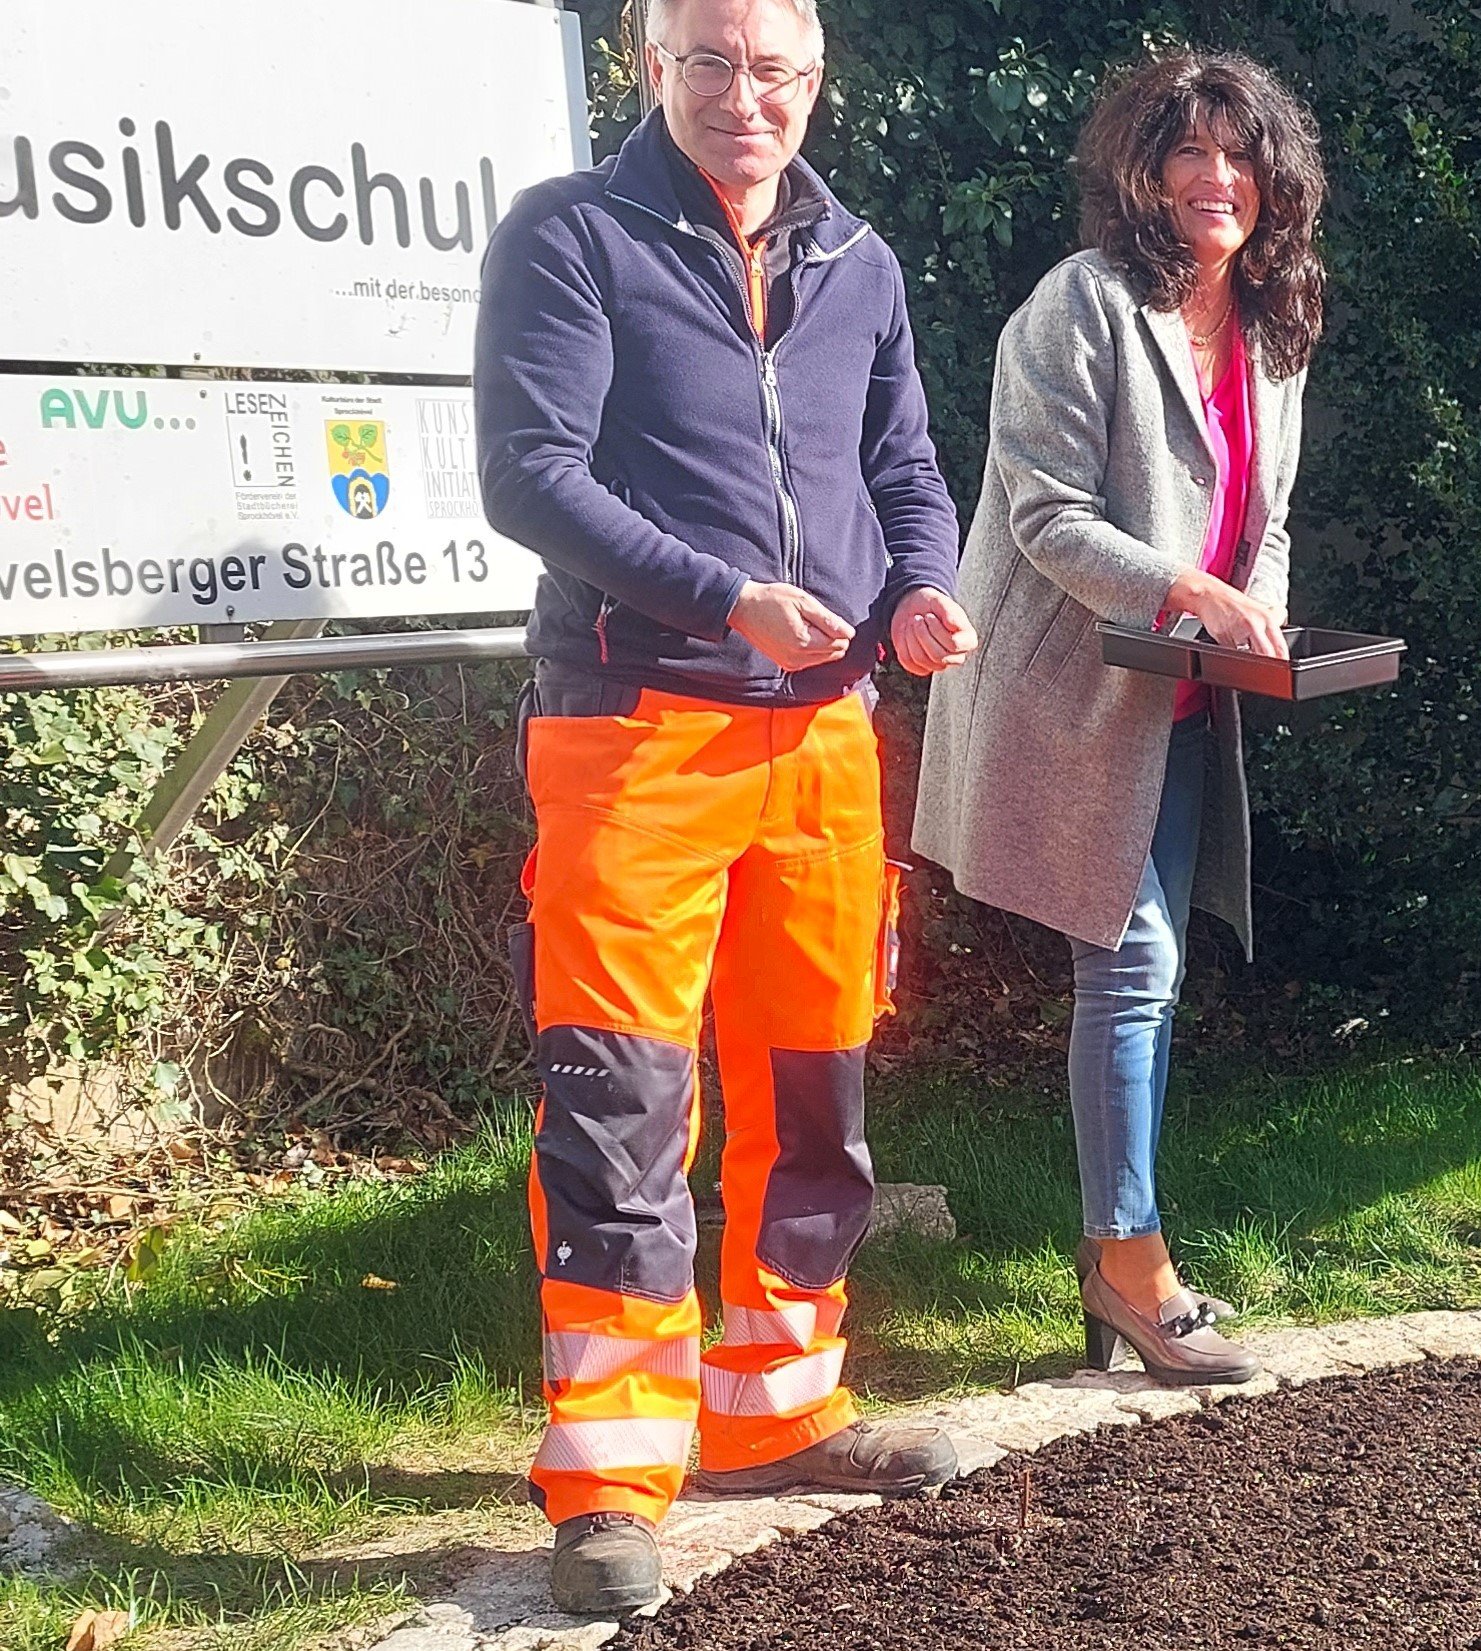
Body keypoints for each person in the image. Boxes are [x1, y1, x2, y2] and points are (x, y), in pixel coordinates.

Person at [476, 0, 978, 1615]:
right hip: (629, 729)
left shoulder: (863, 262)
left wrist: (924, 591)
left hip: (825, 737)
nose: (744, 97)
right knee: (619, 1102)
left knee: (814, 1089)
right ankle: (613, 1473)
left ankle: (775, 1409)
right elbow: (530, 476)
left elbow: (905, 466)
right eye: (710, 63)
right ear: (650, 68)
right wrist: (723, 597)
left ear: (817, 82)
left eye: (774, 69)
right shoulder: (573, 236)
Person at [912, 47, 1324, 1384]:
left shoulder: (1271, 318)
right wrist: (1197, 592)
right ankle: (1133, 1267)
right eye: (1188, 152)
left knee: (1143, 963)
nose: (1217, 177)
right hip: (1069, 680)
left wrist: (1253, 608)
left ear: (1274, 180)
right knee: (1130, 959)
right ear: (1141, 173)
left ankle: (1116, 1262)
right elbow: (1042, 514)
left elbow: (1266, 515)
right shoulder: (1079, 304)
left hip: (1184, 683)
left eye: (1239, 154)